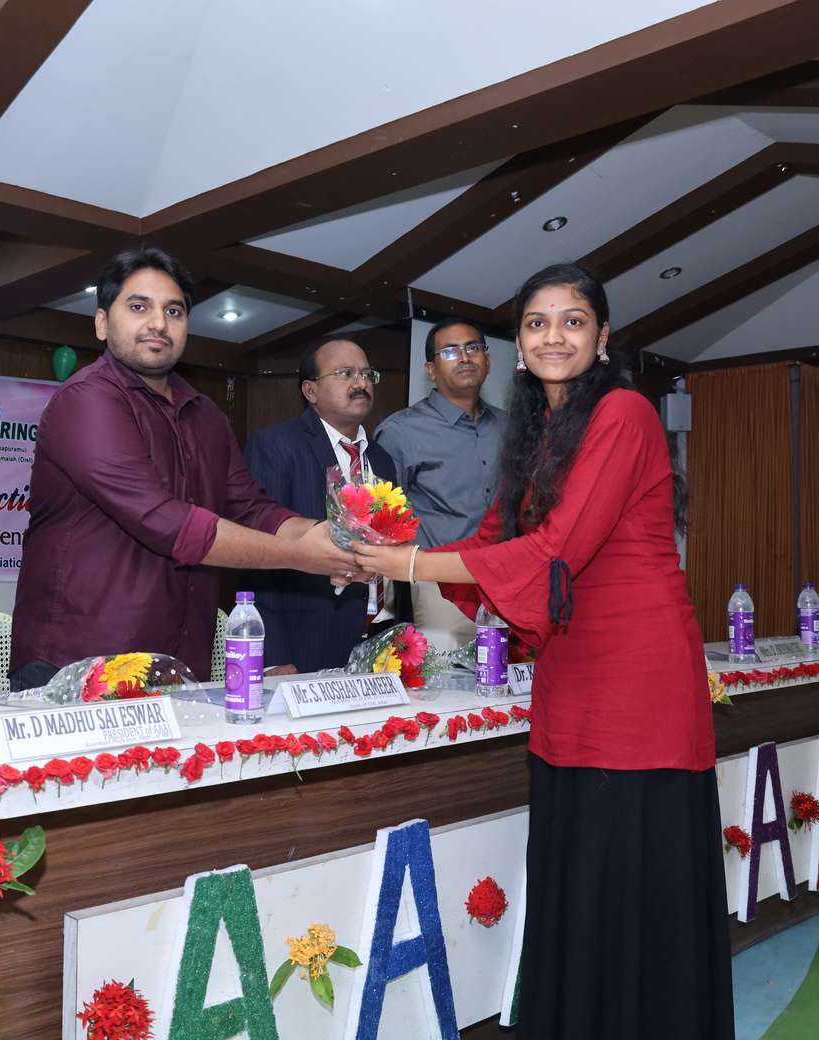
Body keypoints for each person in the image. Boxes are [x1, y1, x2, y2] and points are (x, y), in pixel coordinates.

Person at [353, 264, 732, 1039]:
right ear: (519, 344)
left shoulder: (623, 412)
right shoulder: (539, 433)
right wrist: (375, 549)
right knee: (575, 859)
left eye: (572, 320)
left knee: (625, 861)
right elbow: (494, 540)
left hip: (637, 671)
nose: (553, 336)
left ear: (602, 337)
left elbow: (557, 549)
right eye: (536, 323)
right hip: (571, 667)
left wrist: (408, 564)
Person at [10, 246, 356, 688]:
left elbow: (251, 508)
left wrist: (327, 538)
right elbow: (163, 521)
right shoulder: (86, 400)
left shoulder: (205, 414)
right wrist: (303, 556)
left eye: (173, 311)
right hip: (79, 666)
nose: (159, 323)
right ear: (101, 323)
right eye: (139, 307)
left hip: (177, 666)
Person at [242, 336, 406, 673]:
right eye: (345, 373)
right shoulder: (276, 446)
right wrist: (273, 656)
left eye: (367, 374)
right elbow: (255, 553)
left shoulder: (382, 460)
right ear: (311, 390)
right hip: (308, 639)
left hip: (384, 640)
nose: (361, 383)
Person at [375, 318, 505, 650]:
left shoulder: (511, 427)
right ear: (431, 370)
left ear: (487, 360)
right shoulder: (401, 432)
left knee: (510, 679)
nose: (464, 357)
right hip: (439, 592)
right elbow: (381, 524)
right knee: (444, 681)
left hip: (506, 583)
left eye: (473, 347)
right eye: (450, 351)